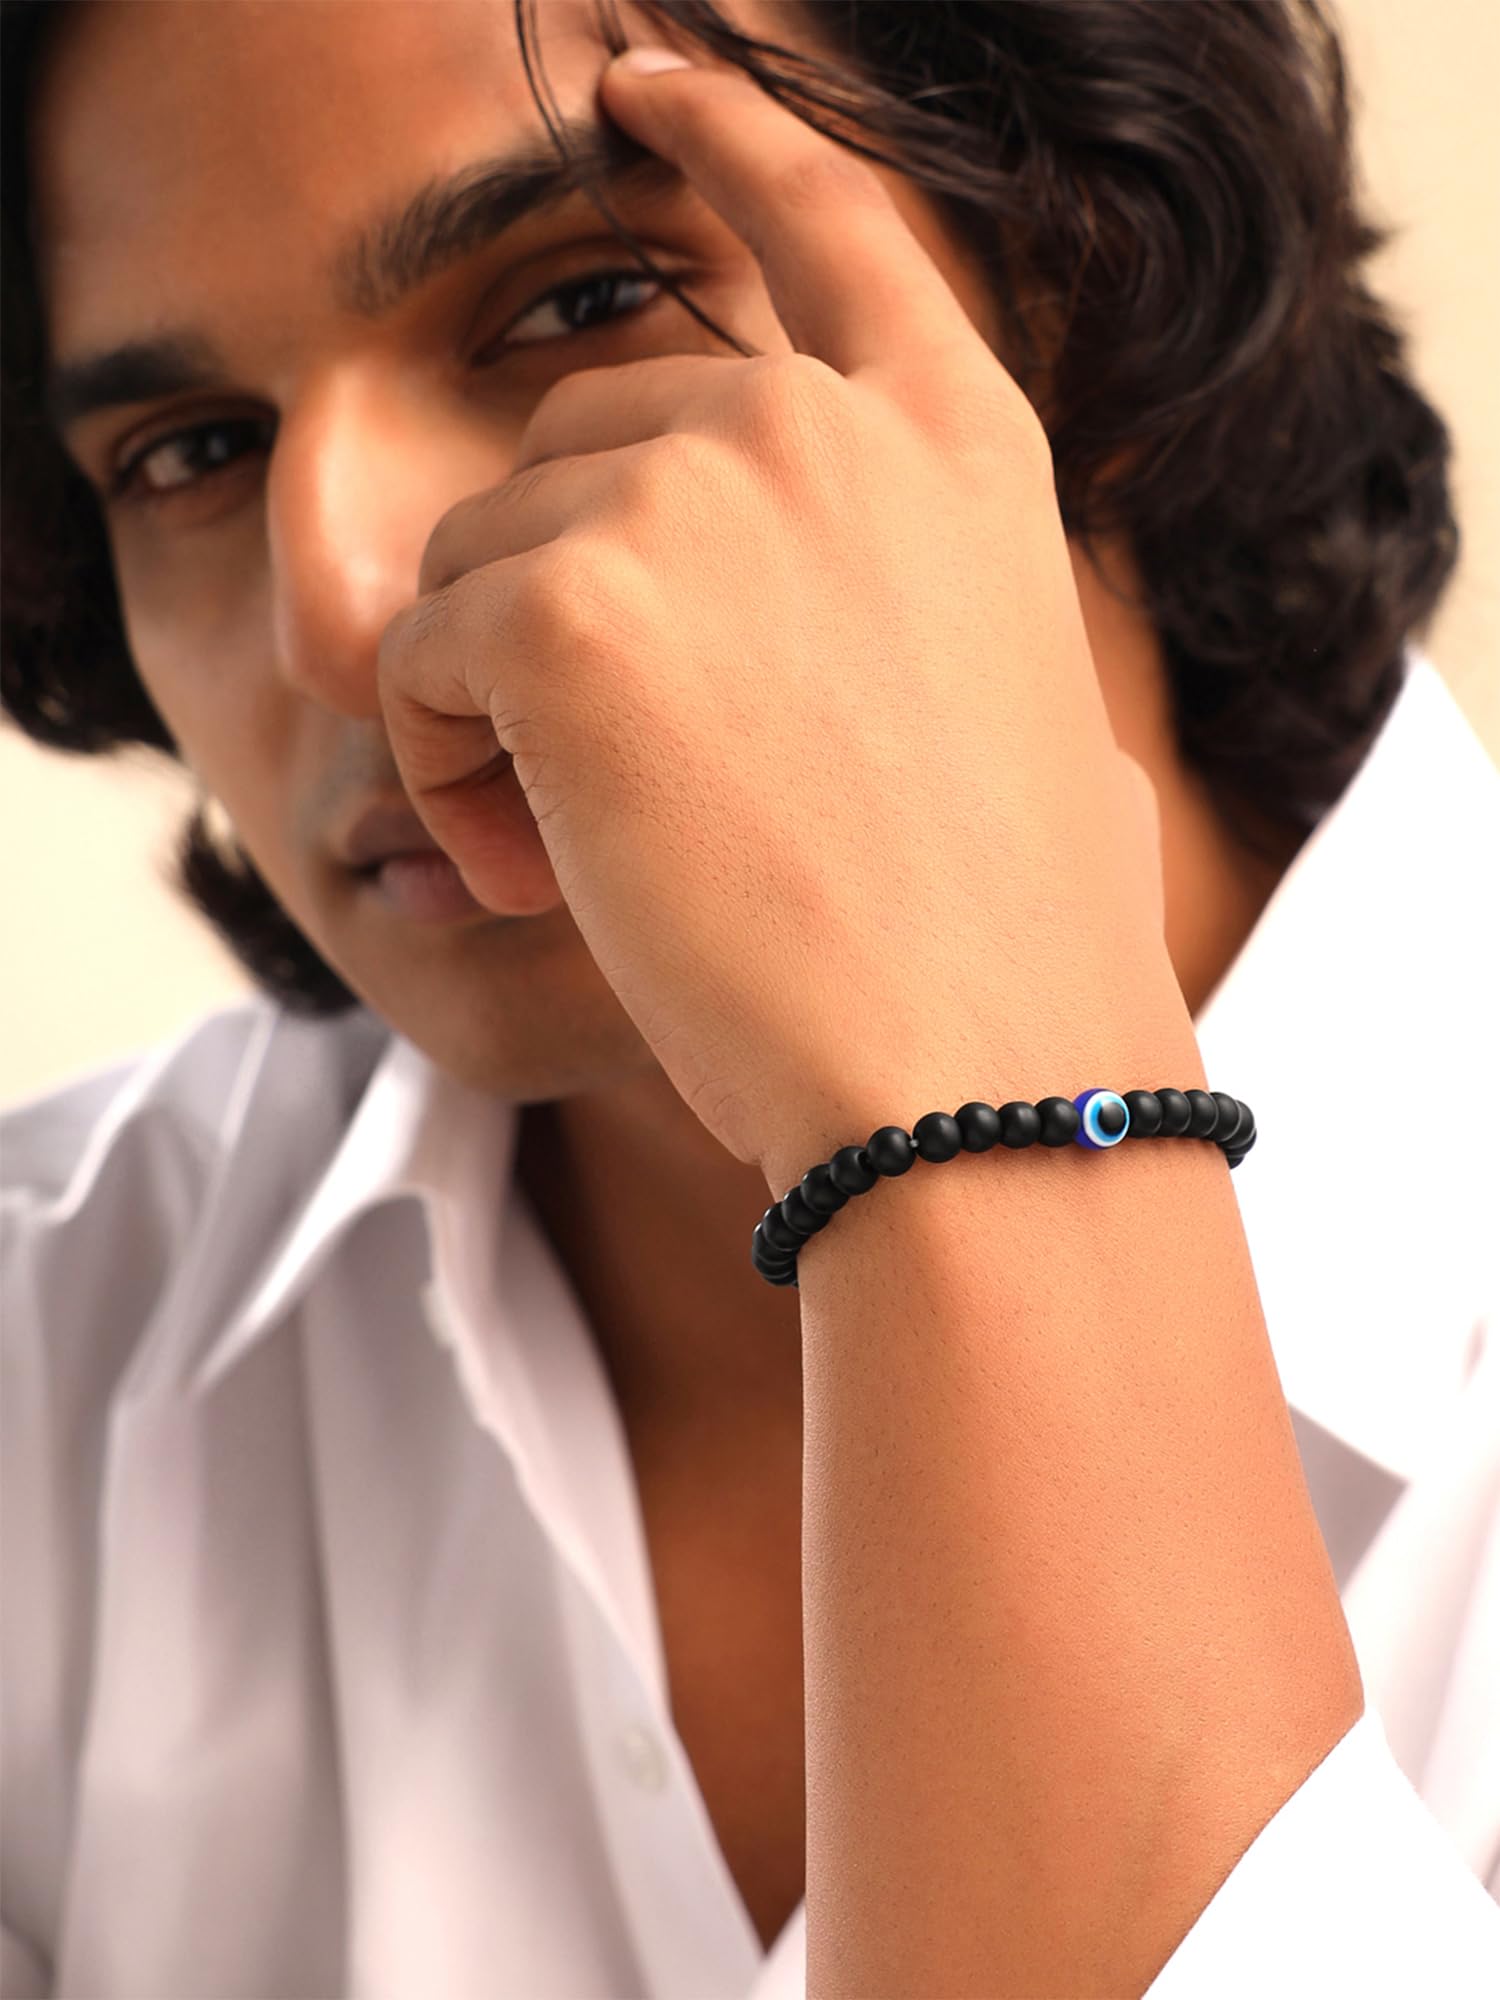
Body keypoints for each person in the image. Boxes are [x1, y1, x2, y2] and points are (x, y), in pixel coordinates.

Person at [2, 1, 1497, 1994]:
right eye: (189, 452)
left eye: (579, 300)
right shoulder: (44, 1370)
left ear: (1092, 280)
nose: (338, 608)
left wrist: (971, 1084)